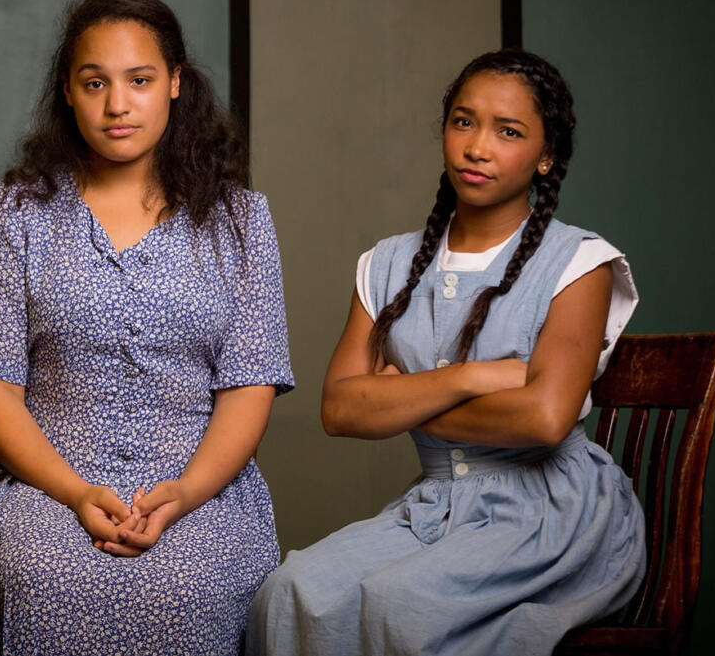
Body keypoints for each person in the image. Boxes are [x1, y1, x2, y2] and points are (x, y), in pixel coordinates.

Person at [246, 49, 646, 656]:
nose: (477, 147)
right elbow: (339, 410)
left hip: (549, 512)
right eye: (464, 122)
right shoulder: (386, 265)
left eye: (508, 132)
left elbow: (543, 419)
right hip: (436, 504)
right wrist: (473, 377)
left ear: (546, 156)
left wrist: (399, 397)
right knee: (290, 590)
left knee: (400, 608)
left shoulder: (578, 262)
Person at [0, 0, 294, 654]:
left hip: (198, 480)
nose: (117, 104)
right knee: (43, 576)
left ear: (174, 84)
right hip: (45, 477)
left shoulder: (240, 220)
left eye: (139, 80)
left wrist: (186, 492)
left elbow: (250, 383)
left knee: (193, 582)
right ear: (68, 92)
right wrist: (75, 491)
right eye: (94, 82)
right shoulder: (12, 211)